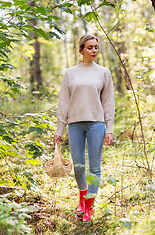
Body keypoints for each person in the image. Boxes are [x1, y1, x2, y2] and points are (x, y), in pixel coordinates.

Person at [54, 34, 115, 223]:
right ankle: (82, 197)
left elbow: (108, 102)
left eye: (96, 47)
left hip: (96, 124)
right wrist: (59, 129)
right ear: (81, 50)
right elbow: (63, 102)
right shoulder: (70, 73)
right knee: (79, 167)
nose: (94, 51)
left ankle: (89, 207)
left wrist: (110, 128)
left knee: (94, 167)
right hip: (74, 125)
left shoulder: (103, 72)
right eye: (90, 47)